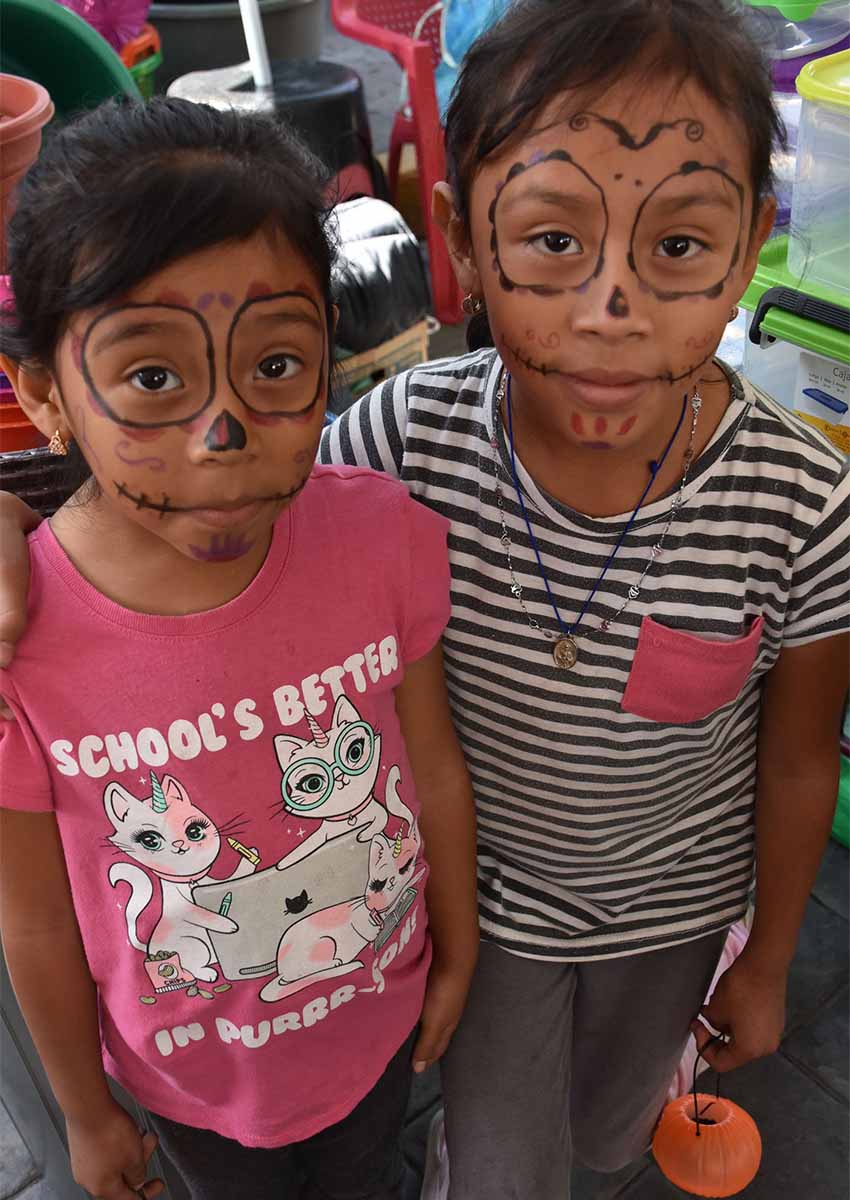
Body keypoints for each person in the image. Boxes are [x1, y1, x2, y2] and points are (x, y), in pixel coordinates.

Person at [1, 3, 849, 1198]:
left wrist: (762, 959)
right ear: (460, 234)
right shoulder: (404, 439)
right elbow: (213, 477)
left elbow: (802, 755)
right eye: (552, 242)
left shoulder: (806, 502)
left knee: (609, 1137)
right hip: (485, 915)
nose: (610, 308)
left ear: (754, 235)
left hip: (670, 918)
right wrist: (16, 521)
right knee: (507, 1169)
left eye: (674, 247)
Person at [0, 98, 478, 1200]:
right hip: (191, 1092)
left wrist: (457, 949)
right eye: (153, 378)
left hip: (377, 1025)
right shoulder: (22, 644)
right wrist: (83, 1110)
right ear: (41, 394)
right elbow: (32, 913)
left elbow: (431, 761)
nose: (224, 441)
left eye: (275, 366)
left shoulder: (382, 537)